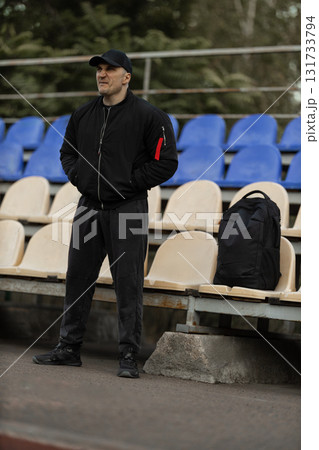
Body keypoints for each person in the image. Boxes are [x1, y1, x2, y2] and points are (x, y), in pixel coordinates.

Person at [32, 49, 178, 378]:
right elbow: (66, 153)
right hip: (88, 208)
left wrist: (128, 184)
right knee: (78, 279)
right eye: (99, 69)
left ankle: (128, 355)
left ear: (126, 76)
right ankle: (68, 349)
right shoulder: (83, 114)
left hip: (127, 208)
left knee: (128, 282)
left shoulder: (149, 116)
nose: (102, 74)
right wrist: (83, 180)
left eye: (110, 69)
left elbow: (166, 163)